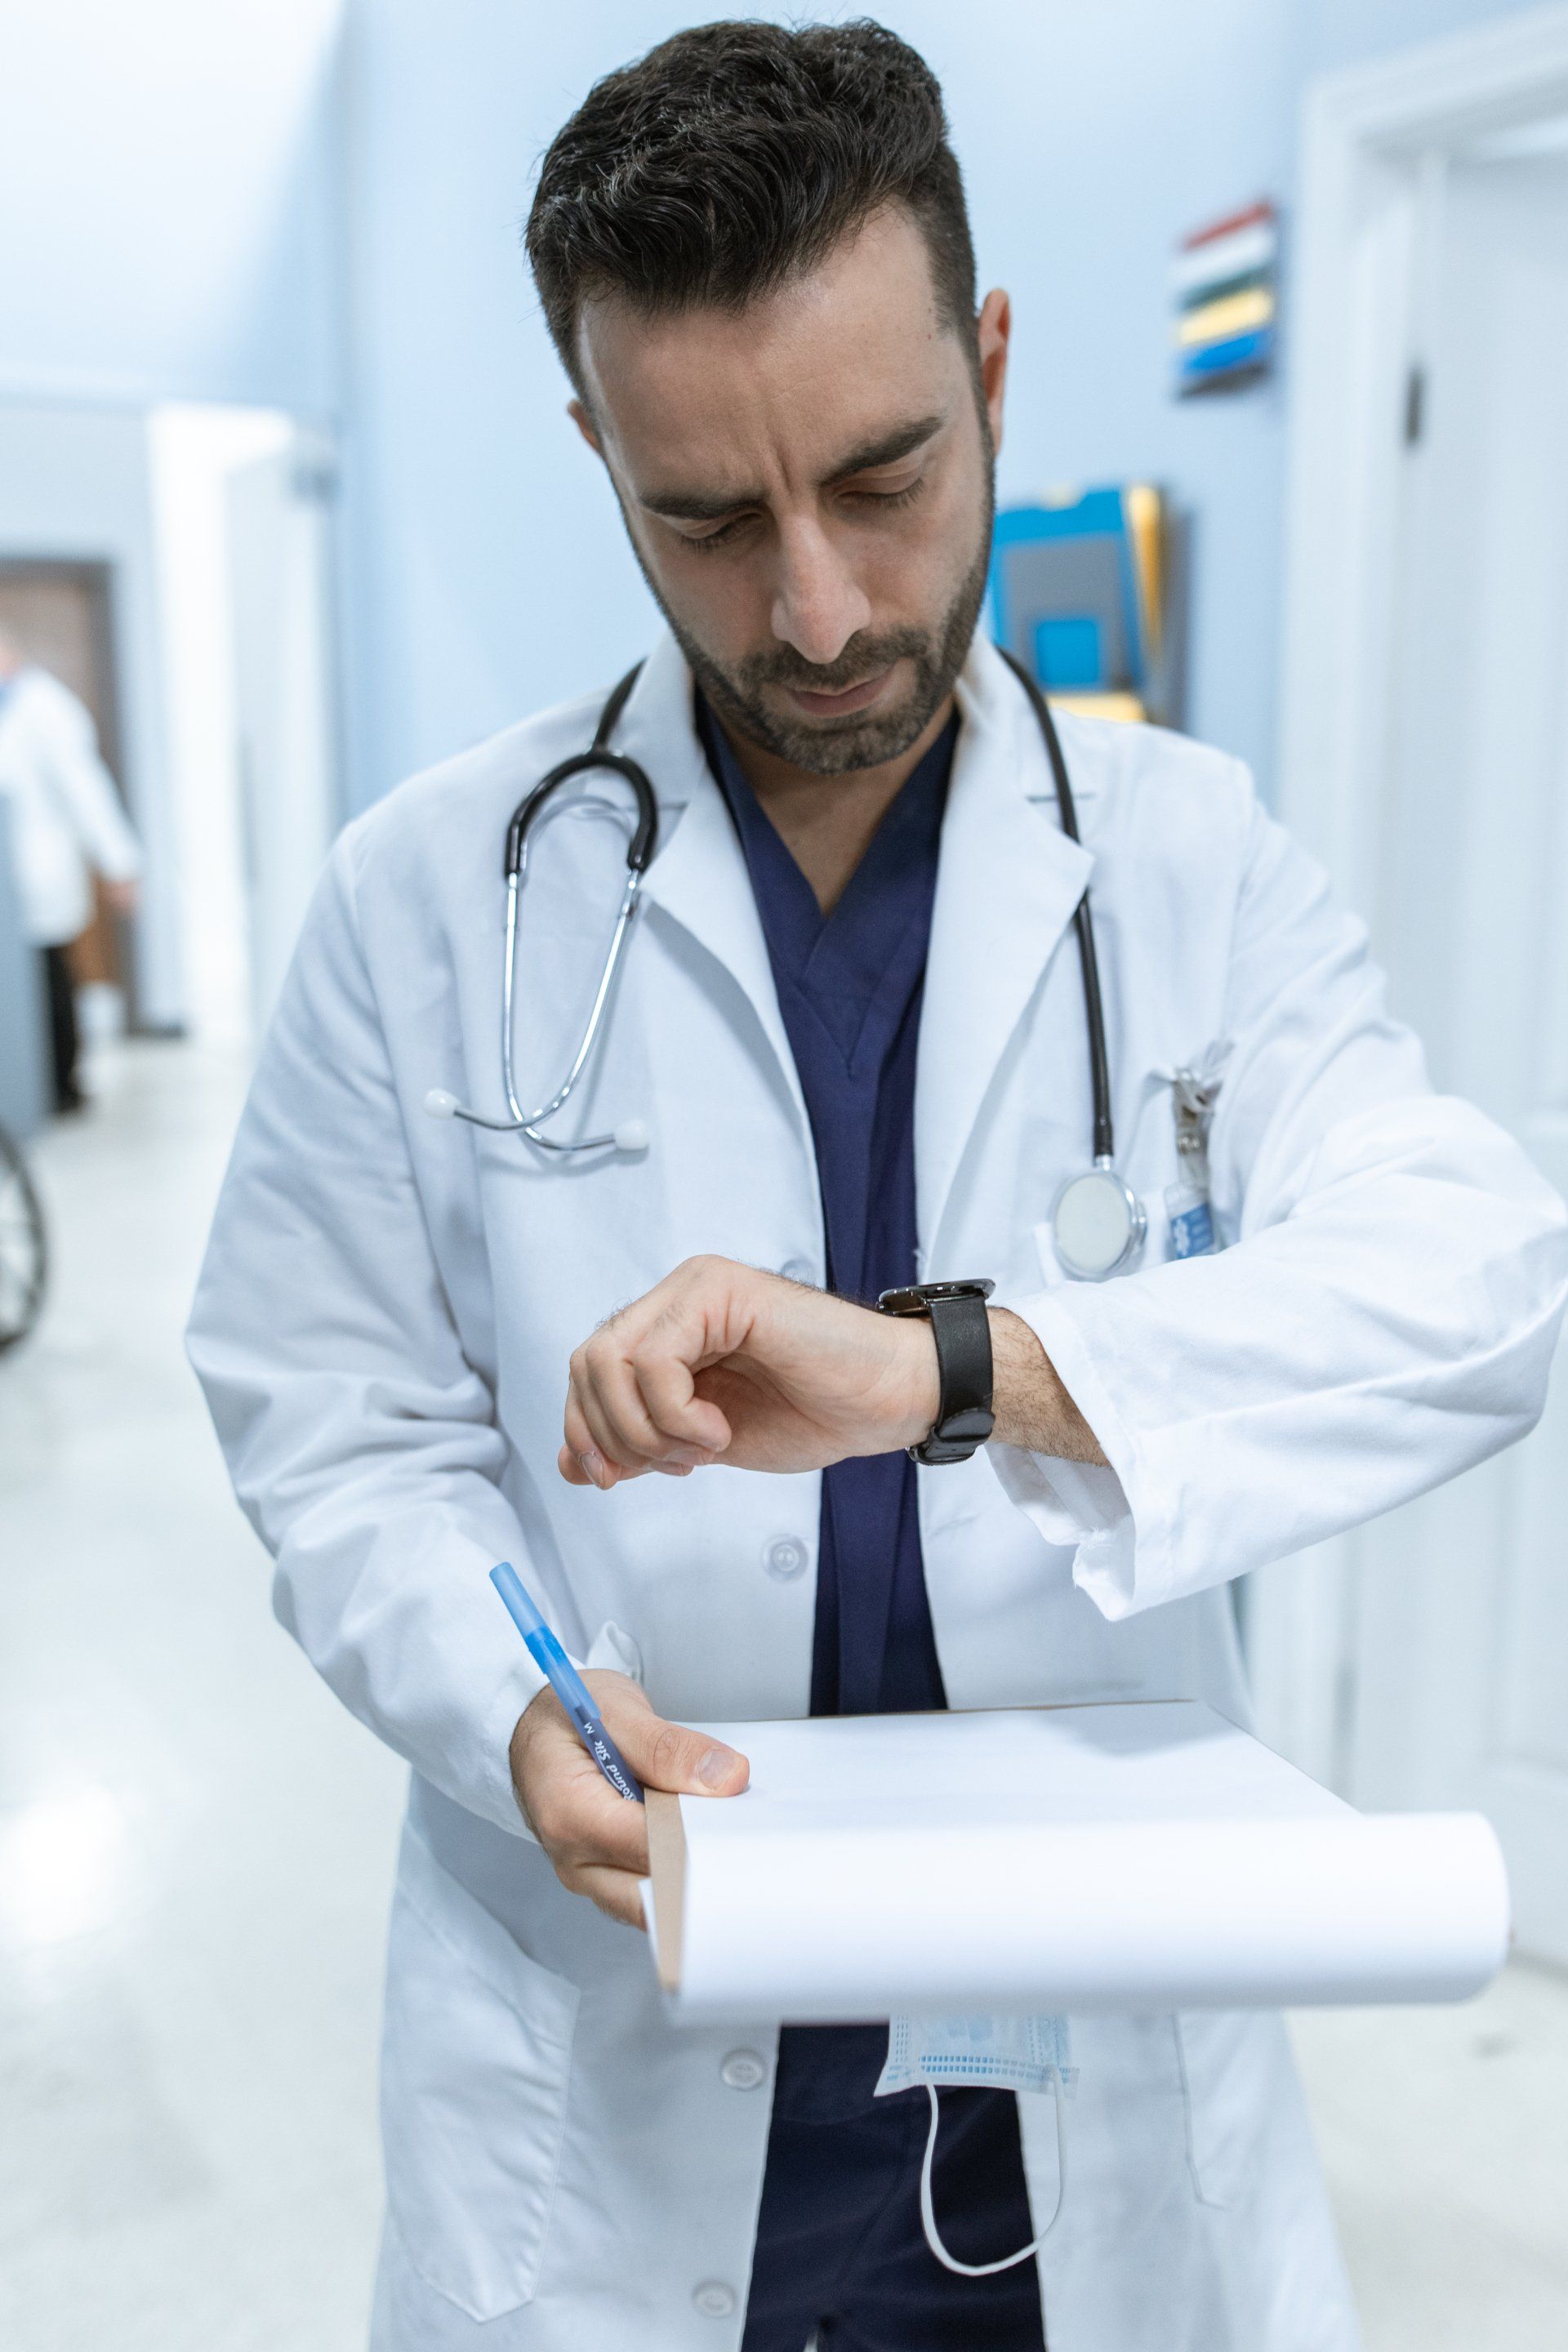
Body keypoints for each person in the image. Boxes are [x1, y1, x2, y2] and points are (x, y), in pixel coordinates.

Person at [187, 22, 1568, 2352]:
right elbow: (330, 1415)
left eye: (884, 474)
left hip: (1093, 2121)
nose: (817, 610)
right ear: (596, 453)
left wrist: (968, 1367)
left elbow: (1481, 1287)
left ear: (996, 366)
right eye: (707, 519)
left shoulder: (1194, 867)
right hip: (608, 2100)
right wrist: (511, 1700)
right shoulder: (426, 896)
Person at [0, 626, 141, 1111]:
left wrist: (119, 863)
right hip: (15, 883)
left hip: (40, 875)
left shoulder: (46, 709)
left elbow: (88, 793)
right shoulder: (11, 711)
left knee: (51, 982)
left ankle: (62, 1086)